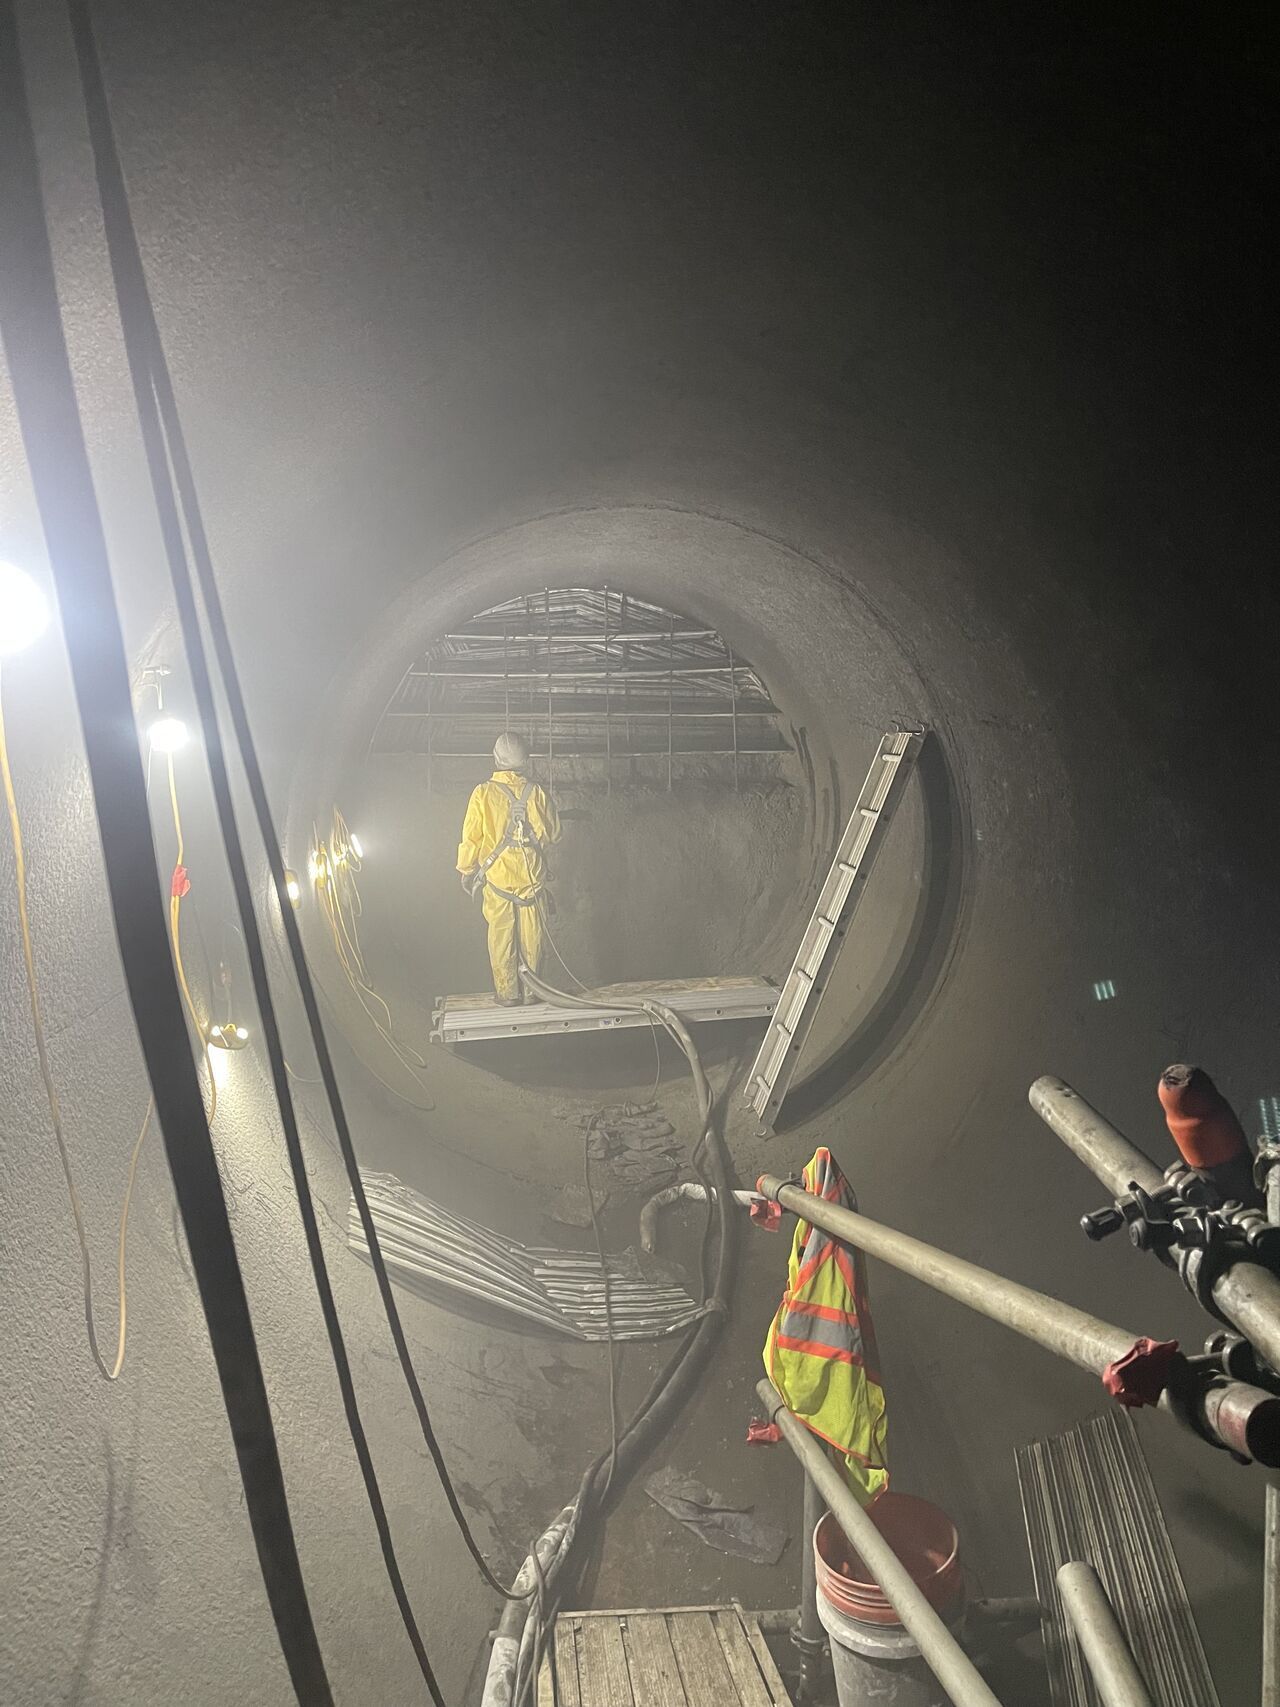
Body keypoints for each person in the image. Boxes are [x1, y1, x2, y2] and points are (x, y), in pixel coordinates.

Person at [456, 732, 562, 1005]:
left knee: (501, 936)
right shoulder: (536, 793)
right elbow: (553, 834)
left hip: (498, 879)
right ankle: (532, 992)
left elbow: (471, 837)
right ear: (525, 761)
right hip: (531, 879)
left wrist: (466, 868)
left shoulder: (482, 793)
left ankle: (507, 993)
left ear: (496, 759)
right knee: (533, 937)